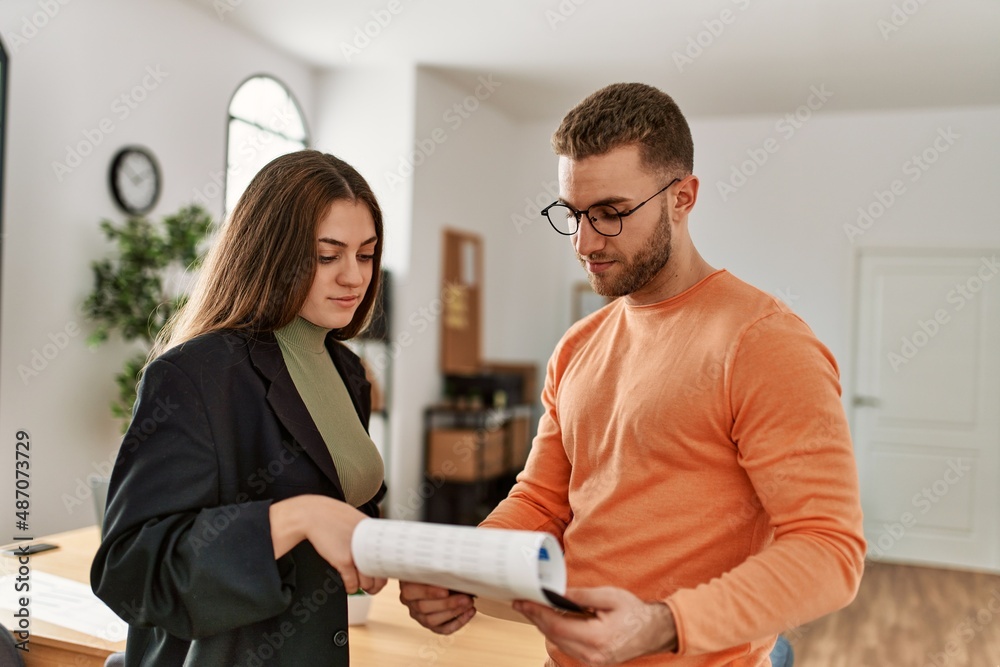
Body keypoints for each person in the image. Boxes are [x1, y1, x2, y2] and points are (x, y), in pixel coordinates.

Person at [400, 83, 865, 666]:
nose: (584, 242)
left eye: (611, 214)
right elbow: (542, 502)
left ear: (682, 197)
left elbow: (829, 551)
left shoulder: (765, 343)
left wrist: (662, 624)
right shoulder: (577, 347)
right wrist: (465, 570)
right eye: (572, 215)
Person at [91, 150, 388, 666]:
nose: (353, 277)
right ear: (271, 253)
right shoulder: (195, 376)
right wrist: (293, 518)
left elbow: (341, 499)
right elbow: (129, 573)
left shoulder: (348, 372)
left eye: (365, 255)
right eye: (327, 255)